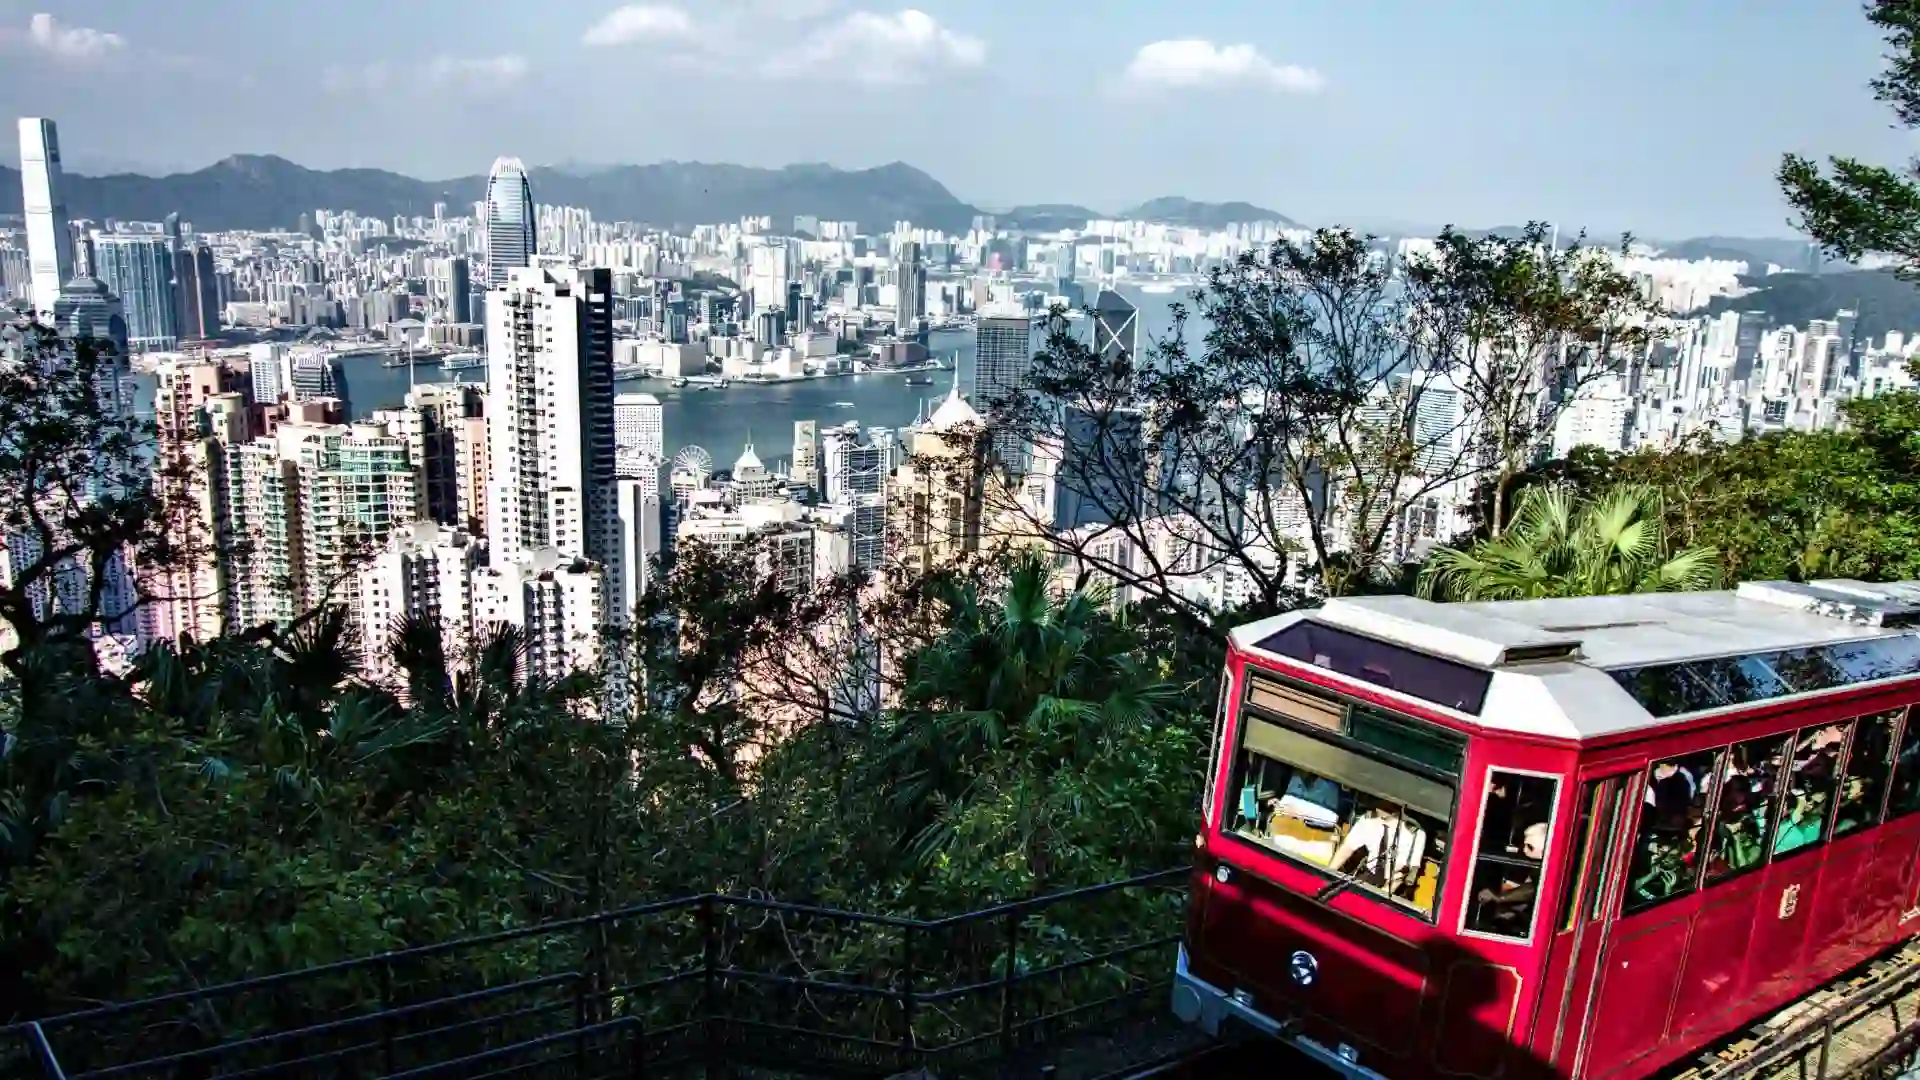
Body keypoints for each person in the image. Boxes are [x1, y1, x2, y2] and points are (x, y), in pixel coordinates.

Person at [1331, 802, 1426, 895]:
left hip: (1395, 888)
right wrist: (1328, 873)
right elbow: (1347, 848)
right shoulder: (1368, 819)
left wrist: (1381, 894)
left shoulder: (1414, 833)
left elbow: (1403, 873)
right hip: (1369, 875)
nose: (1380, 806)